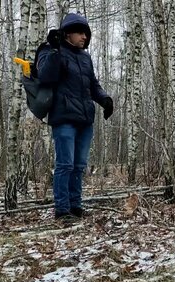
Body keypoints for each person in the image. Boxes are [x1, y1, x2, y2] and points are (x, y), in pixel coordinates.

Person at [37, 13, 114, 221]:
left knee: (79, 166)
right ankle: (62, 210)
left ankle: (76, 206)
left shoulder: (85, 58)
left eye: (86, 34)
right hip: (64, 118)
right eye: (80, 33)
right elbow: (45, 75)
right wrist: (54, 50)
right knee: (65, 165)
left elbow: (93, 85)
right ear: (67, 34)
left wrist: (105, 99)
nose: (84, 37)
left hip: (85, 119)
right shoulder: (52, 50)